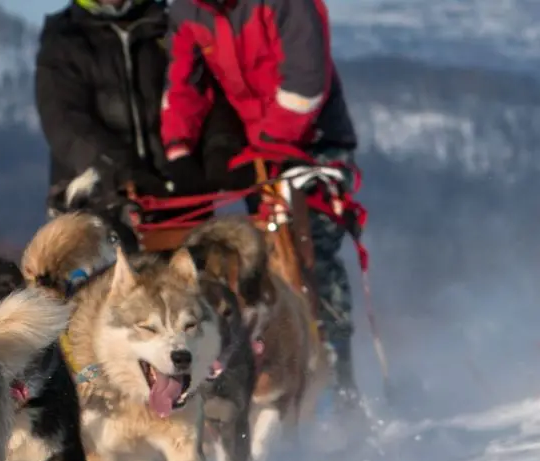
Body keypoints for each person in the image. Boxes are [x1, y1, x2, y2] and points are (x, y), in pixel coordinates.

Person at [160, 0, 362, 413]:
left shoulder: (286, 5)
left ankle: (339, 376)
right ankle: (274, 373)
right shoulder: (188, 12)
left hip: (314, 142)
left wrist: (270, 145)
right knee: (265, 265)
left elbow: (306, 82)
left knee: (311, 252)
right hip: (258, 152)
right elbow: (184, 86)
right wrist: (180, 152)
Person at [34, 0, 251, 215]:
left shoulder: (168, 23)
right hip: (96, 203)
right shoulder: (62, 38)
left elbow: (207, 92)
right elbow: (64, 123)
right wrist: (122, 172)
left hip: (181, 198)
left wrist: (219, 148)